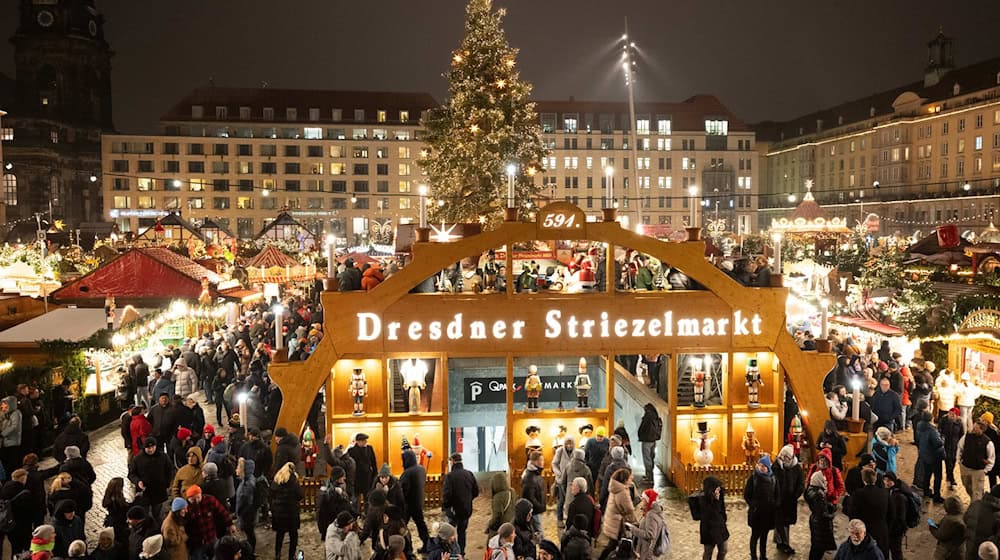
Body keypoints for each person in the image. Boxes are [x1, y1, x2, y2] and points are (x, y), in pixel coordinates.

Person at [844, 469, 892, 560]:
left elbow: (852, 515)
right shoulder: (885, 494)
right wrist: (886, 528)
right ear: (875, 479)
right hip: (881, 532)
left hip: (863, 533)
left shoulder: (857, 494)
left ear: (863, 480)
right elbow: (892, 515)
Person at [184, 484, 234, 560]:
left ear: (201, 494)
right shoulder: (185, 507)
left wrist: (230, 524)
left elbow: (222, 512)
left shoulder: (210, 500)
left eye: (198, 497)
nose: (196, 501)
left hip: (211, 537)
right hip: (197, 542)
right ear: (188, 499)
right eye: (193, 500)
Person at [598, 469, 638, 560]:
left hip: (612, 520)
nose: (631, 479)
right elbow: (629, 509)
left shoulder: (615, 487)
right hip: (616, 523)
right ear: (624, 480)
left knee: (612, 544)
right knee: (613, 545)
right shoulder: (622, 491)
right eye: (629, 478)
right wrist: (635, 522)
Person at [442, 453, 477, 554]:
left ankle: (451, 553)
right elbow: (476, 492)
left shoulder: (450, 476)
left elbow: (446, 495)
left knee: (448, 533)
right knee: (462, 532)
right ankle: (461, 553)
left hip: (453, 511)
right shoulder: (469, 474)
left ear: (452, 461)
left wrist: (446, 506)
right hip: (466, 510)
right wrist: (468, 499)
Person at [772, 445, 803, 555]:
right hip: (778, 500)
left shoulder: (796, 468)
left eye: (786, 457)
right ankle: (782, 543)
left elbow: (800, 484)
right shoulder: (776, 466)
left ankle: (782, 542)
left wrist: (795, 496)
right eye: (782, 456)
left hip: (789, 501)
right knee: (779, 522)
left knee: (786, 523)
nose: (783, 459)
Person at [270, 462, 303, 560]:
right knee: (293, 535)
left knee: (279, 534)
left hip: (279, 512)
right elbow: (300, 495)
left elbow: (271, 494)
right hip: (291, 512)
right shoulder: (294, 481)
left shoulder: (277, 480)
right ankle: (291, 556)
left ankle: (277, 554)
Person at [958, 420, 996, 501]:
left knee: (977, 492)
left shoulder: (988, 442)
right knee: (967, 486)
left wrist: (985, 470)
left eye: (976, 428)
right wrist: (959, 461)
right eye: (974, 427)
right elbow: (960, 448)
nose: (973, 429)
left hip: (978, 471)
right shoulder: (966, 436)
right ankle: (976, 503)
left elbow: (991, 458)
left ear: (982, 430)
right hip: (965, 467)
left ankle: (975, 508)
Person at [399, 448, 429, 550]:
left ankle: (403, 547)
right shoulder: (421, 469)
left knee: (401, 525)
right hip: (418, 502)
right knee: (421, 524)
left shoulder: (407, 473)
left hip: (408, 504)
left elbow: (403, 490)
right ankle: (427, 544)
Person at [0, 468, 33, 556]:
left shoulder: (4, 488)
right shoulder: (24, 493)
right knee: (25, 550)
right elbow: (29, 511)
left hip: (9, 523)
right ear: (23, 478)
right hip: (23, 525)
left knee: (14, 549)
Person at [915, 410, 946, 503]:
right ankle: (937, 496)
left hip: (925, 455)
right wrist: (943, 438)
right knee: (938, 476)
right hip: (934, 456)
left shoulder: (919, 427)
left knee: (927, 474)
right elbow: (938, 443)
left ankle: (926, 491)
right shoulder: (932, 430)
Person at [805, 471, 837, 560]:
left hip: (815, 522)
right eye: (824, 480)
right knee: (819, 549)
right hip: (820, 525)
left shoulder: (811, 490)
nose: (826, 482)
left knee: (816, 546)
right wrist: (832, 515)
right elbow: (822, 514)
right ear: (818, 480)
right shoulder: (819, 494)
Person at [964, 484, 1000, 560]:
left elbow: (965, 519)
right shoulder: (997, 514)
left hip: (970, 547)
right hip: (986, 553)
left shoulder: (975, 504)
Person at [883, 472, 912, 560]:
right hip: (891, 528)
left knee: (896, 552)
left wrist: (893, 529)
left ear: (894, 481)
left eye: (889, 480)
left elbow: (900, 517)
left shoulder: (899, 496)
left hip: (896, 530)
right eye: (885, 480)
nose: (886, 482)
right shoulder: (889, 491)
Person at [699, 476, 729, 560]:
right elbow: (709, 514)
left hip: (720, 527)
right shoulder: (703, 499)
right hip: (708, 530)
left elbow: (722, 509)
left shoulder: (720, 495)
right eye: (717, 488)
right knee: (708, 552)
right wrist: (715, 500)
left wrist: (723, 519)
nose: (718, 490)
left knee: (724, 549)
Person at [633, 489, 666, 560]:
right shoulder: (654, 511)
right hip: (645, 550)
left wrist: (633, 530)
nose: (641, 499)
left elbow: (650, 535)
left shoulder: (650, 515)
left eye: (643, 498)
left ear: (648, 500)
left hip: (646, 553)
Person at [520, 450, 547, 532]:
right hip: (534, 510)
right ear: (534, 461)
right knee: (539, 531)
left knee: (536, 530)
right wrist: (539, 506)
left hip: (537, 509)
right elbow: (529, 496)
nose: (543, 462)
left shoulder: (536, 472)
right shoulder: (530, 477)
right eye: (541, 460)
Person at [102, 477, 133, 548]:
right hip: (119, 524)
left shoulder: (109, 497)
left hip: (112, 521)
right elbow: (125, 509)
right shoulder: (117, 501)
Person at [347, 433, 377, 504]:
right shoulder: (351, 450)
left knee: (368, 500)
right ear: (357, 441)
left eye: (365, 440)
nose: (365, 442)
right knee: (355, 501)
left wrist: (375, 474)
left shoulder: (369, 448)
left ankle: (367, 514)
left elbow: (373, 462)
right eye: (363, 440)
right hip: (356, 478)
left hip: (368, 478)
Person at [551, 436, 574, 528]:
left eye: (570, 443)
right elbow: (554, 463)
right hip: (561, 480)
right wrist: (559, 473)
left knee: (571, 500)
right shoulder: (560, 451)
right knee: (561, 500)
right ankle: (559, 519)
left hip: (571, 480)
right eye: (567, 443)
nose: (569, 445)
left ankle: (569, 518)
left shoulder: (576, 452)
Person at [940, 407, 965, 490]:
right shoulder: (944, 420)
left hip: (955, 446)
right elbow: (940, 430)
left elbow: (962, 435)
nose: (951, 416)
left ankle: (949, 476)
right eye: (950, 414)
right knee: (948, 462)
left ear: (957, 416)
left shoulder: (960, 423)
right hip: (946, 445)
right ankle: (951, 478)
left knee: (953, 461)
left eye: (953, 415)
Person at [637, 404, 662, 484]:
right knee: (651, 458)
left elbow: (642, 428)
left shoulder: (647, 417)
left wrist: (640, 435)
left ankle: (649, 477)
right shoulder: (656, 417)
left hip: (646, 440)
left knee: (647, 459)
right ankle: (649, 475)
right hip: (653, 441)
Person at [487, 472, 515, 538]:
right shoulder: (512, 492)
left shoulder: (498, 497)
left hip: (502, 526)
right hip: (512, 523)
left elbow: (497, 516)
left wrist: (490, 525)